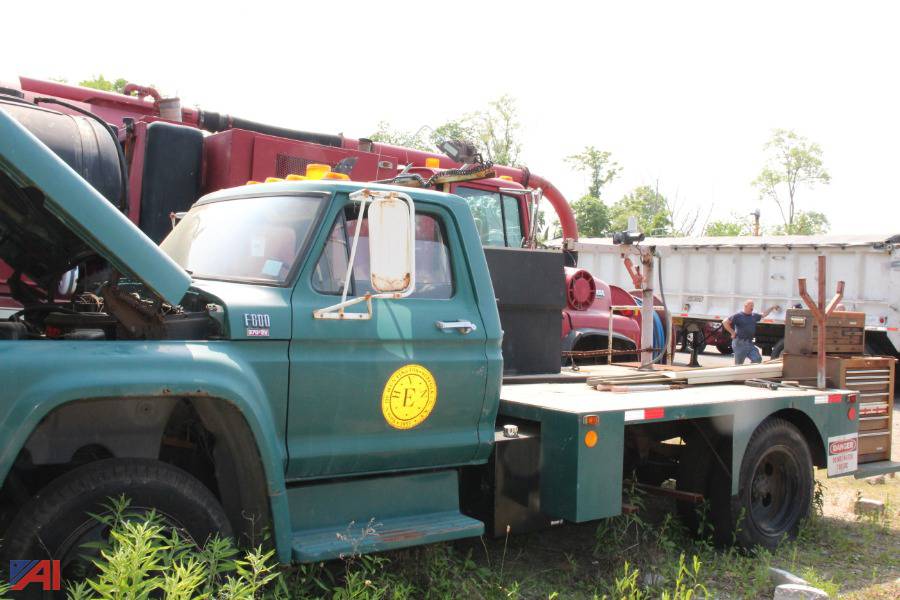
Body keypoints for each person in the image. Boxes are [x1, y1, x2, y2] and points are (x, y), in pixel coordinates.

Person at [722, 300, 779, 365]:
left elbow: (763, 315)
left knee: (757, 359)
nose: (752, 308)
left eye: (753, 306)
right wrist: (732, 332)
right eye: (751, 306)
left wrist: (772, 308)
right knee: (738, 364)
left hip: (749, 343)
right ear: (745, 306)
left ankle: (749, 373)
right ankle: (740, 374)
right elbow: (725, 322)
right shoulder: (738, 316)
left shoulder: (754, 316)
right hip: (740, 343)